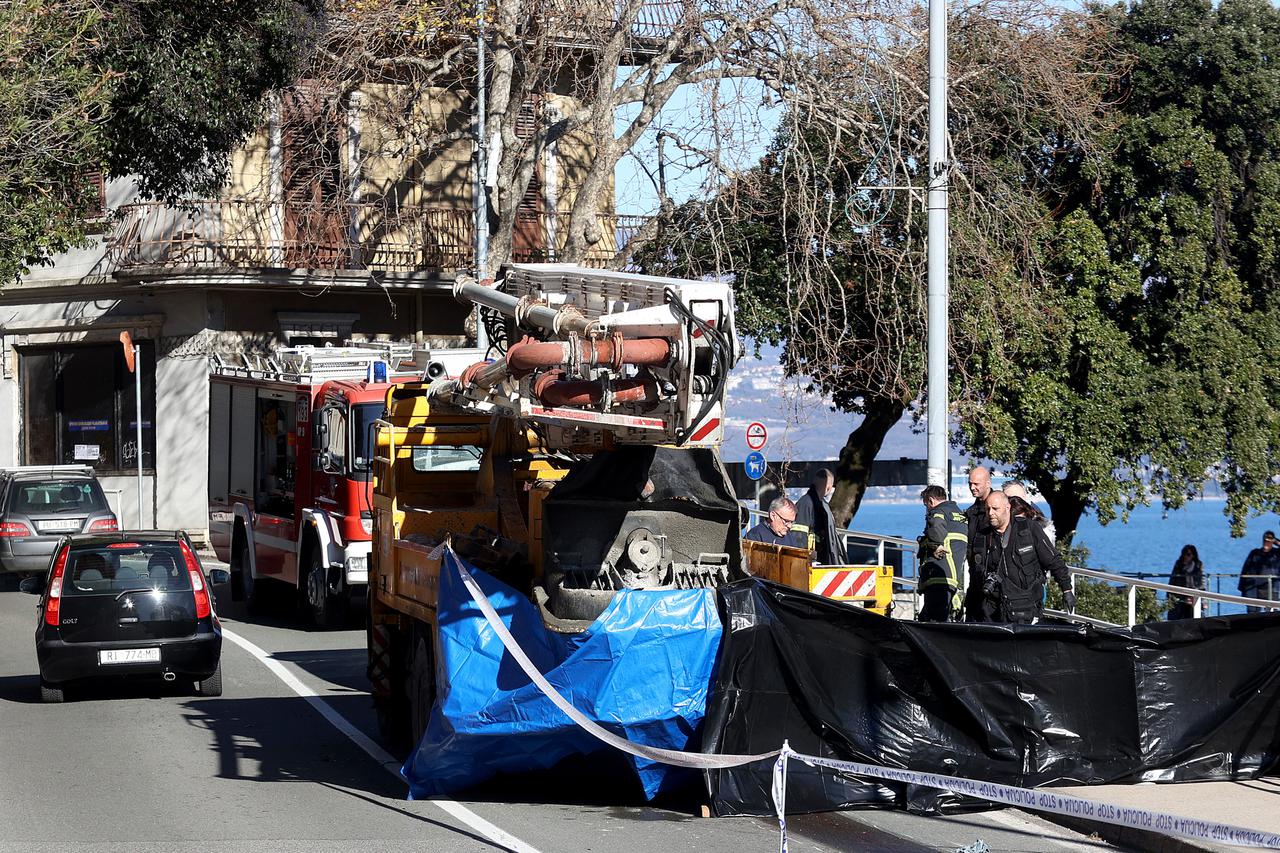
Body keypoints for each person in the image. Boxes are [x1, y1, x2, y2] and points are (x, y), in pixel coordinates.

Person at [966, 491, 1076, 623]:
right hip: (992, 610)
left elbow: (1053, 560)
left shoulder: (1028, 529)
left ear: (1007, 508)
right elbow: (975, 573)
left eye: (995, 509)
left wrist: (1066, 589)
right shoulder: (982, 536)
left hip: (1025, 607)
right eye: (988, 509)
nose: (990, 513)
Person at [917, 485, 967, 622]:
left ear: (931, 500)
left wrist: (930, 544)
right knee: (933, 617)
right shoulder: (959, 514)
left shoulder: (938, 512)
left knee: (933, 621)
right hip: (953, 577)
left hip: (938, 575)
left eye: (926, 505)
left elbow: (937, 532)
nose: (927, 509)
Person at [794, 469, 847, 565]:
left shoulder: (811, 504)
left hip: (819, 558)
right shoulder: (809, 504)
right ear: (828, 487)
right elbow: (798, 535)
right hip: (812, 560)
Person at [961, 466, 994, 619]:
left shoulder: (999, 510)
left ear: (988, 483)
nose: (972, 487)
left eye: (976, 484)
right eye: (970, 483)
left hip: (993, 582)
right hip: (975, 579)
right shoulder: (971, 513)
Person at [1238, 531, 1280, 613]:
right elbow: (1245, 569)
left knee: (1272, 613)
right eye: (1265, 540)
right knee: (1252, 613)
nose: (1266, 543)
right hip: (1253, 587)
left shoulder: (1276, 554)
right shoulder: (1255, 553)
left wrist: (1275, 541)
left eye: (1269, 541)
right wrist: (1242, 588)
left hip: (1271, 587)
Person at [1168, 544, 1204, 621]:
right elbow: (1173, 580)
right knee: (1180, 613)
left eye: (1188, 554)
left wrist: (1203, 599)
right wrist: (1170, 595)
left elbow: (1201, 582)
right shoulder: (1179, 564)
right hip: (1181, 594)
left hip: (1194, 593)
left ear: (1193, 555)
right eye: (1184, 554)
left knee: (1193, 613)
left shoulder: (1198, 565)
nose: (1186, 557)